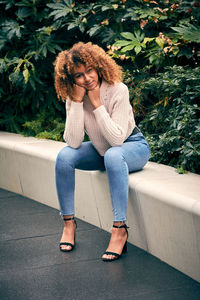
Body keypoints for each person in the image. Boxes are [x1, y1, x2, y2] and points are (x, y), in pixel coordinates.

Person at [54, 42, 150, 262]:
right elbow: (74, 141)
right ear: (71, 79)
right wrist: (78, 102)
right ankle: (69, 223)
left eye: (89, 70)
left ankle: (119, 228)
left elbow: (117, 139)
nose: (87, 78)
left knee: (114, 155)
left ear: (97, 66)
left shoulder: (118, 89)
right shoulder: (74, 97)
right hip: (102, 151)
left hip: (132, 146)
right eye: (78, 75)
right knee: (64, 156)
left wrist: (97, 104)